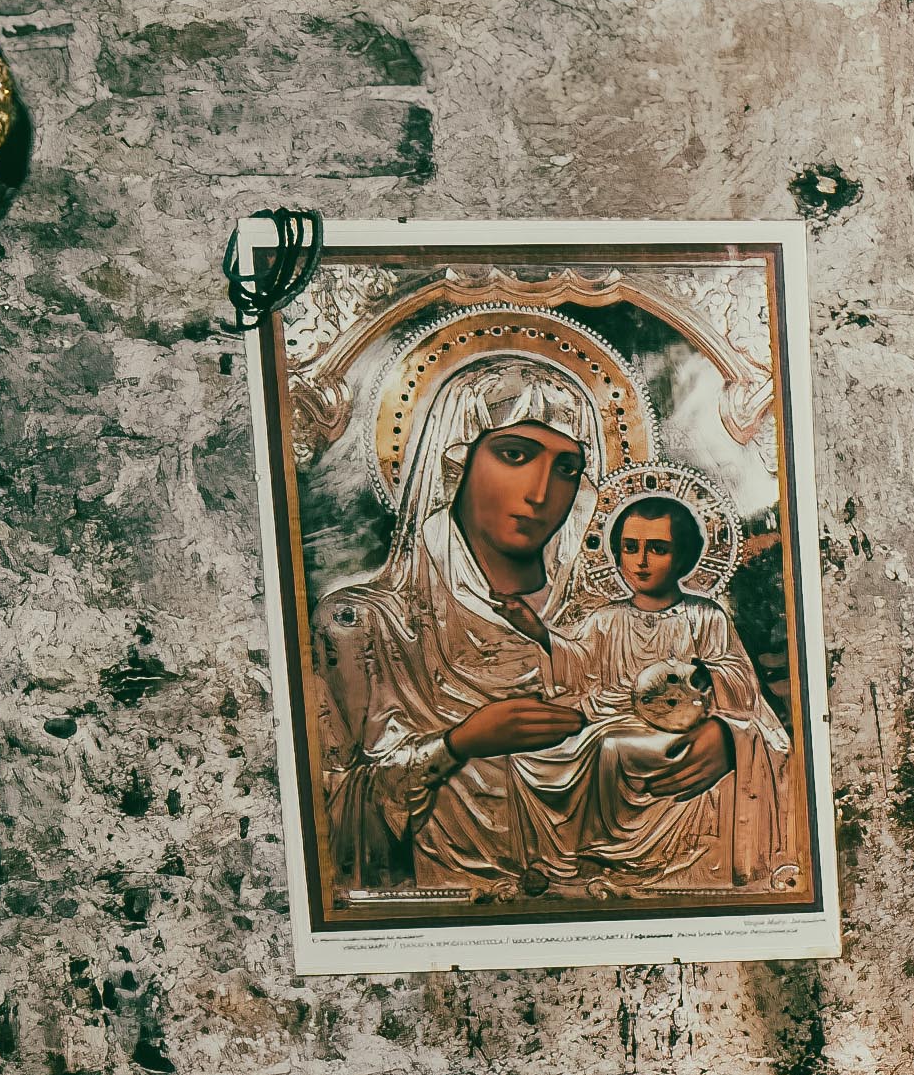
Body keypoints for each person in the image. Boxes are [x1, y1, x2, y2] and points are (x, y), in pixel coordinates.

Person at [310, 344, 768, 905]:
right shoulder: (364, 625)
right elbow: (339, 819)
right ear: (454, 461)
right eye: (514, 454)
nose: (540, 493)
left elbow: (766, 733)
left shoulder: (606, 612)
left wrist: (733, 744)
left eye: (567, 468)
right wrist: (460, 743)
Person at [547, 470, 806, 897]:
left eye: (657, 548)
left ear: (684, 556)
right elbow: (574, 665)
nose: (641, 561)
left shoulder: (705, 617)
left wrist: (702, 676)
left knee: (611, 747)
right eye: (630, 547)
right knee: (559, 755)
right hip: (613, 718)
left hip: (676, 728)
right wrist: (535, 635)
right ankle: (594, 853)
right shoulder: (605, 619)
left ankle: (627, 854)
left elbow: (740, 683)